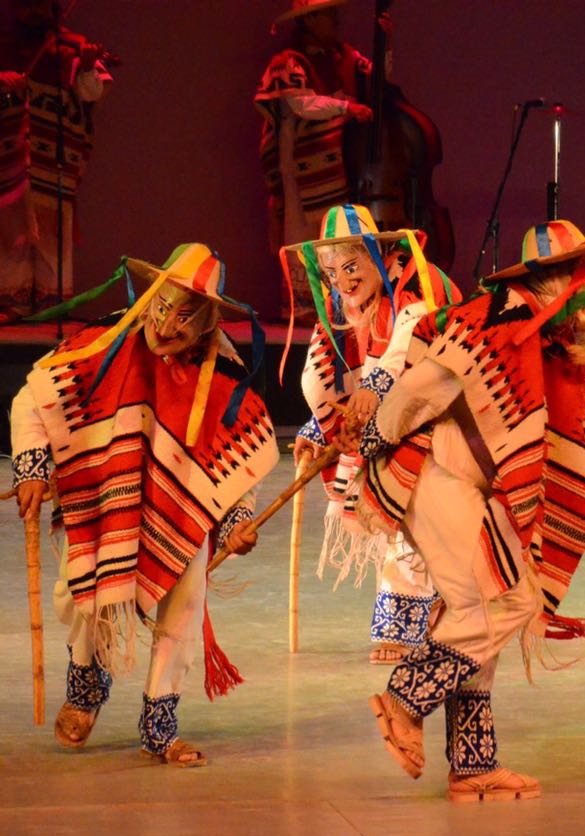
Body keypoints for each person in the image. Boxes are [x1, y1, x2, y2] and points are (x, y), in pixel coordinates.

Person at [335, 219, 585, 801]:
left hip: (466, 487)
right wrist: (372, 434)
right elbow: (420, 389)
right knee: (503, 603)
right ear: (563, 283)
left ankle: (473, 764)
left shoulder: (545, 346)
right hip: (436, 479)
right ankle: (405, 701)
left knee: (480, 619)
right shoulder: (495, 330)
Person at [9, 243, 279, 766]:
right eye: (162, 306)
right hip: (105, 499)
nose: (166, 324)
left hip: (181, 512)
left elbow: (231, 460)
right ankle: (85, 693)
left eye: (185, 315)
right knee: (87, 597)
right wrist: (32, 468)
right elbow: (31, 399)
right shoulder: (107, 343)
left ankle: (160, 726)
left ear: (208, 323)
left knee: (182, 606)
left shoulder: (225, 376)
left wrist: (237, 522)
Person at [285, 203, 461, 663]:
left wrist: (374, 390)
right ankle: (438, 602)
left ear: (378, 255)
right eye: (332, 272)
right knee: (397, 511)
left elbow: (405, 351)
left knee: (410, 512)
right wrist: (319, 428)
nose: (343, 280)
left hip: (437, 415)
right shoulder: (345, 312)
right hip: (389, 423)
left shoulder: (415, 290)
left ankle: (403, 623)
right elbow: (327, 376)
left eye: (351, 265)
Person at [255, 0, 374, 318]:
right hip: (300, 171)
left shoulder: (343, 56)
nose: (337, 20)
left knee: (336, 235)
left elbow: (377, 79)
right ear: (309, 19)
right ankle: (306, 314)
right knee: (303, 237)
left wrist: (384, 40)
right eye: (329, 13)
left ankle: (338, 308)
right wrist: (347, 108)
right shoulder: (287, 62)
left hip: (337, 169)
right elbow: (301, 104)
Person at [0, 0, 112, 320]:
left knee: (52, 233)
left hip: (54, 160)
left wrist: (88, 66)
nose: (30, 11)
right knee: (11, 232)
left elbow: (92, 93)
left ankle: (52, 304)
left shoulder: (71, 47)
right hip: (10, 159)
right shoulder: (5, 46)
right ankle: (13, 302)